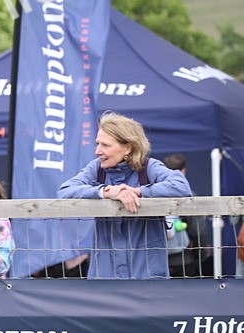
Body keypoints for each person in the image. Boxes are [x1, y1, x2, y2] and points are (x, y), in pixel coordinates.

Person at [57, 112, 191, 279]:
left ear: (128, 147)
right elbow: (64, 191)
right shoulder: (96, 168)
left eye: (105, 145)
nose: (98, 151)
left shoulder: (149, 167)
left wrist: (139, 191)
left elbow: (181, 186)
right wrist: (104, 192)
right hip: (105, 273)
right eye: (97, 144)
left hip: (146, 274)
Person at [162, 153, 211, 278]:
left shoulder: (154, 193)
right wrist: (201, 254)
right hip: (183, 260)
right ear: (183, 171)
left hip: (157, 259)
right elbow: (197, 230)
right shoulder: (189, 196)